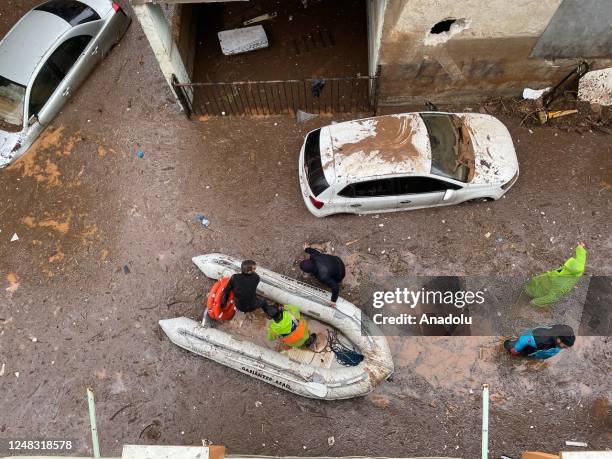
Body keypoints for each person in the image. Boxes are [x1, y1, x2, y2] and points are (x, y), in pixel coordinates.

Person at [504, 324, 576, 359]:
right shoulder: (542, 339)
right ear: (559, 339)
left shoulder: (565, 331)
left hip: (542, 349)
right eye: (565, 346)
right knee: (509, 347)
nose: (565, 348)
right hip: (531, 341)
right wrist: (516, 348)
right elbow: (525, 339)